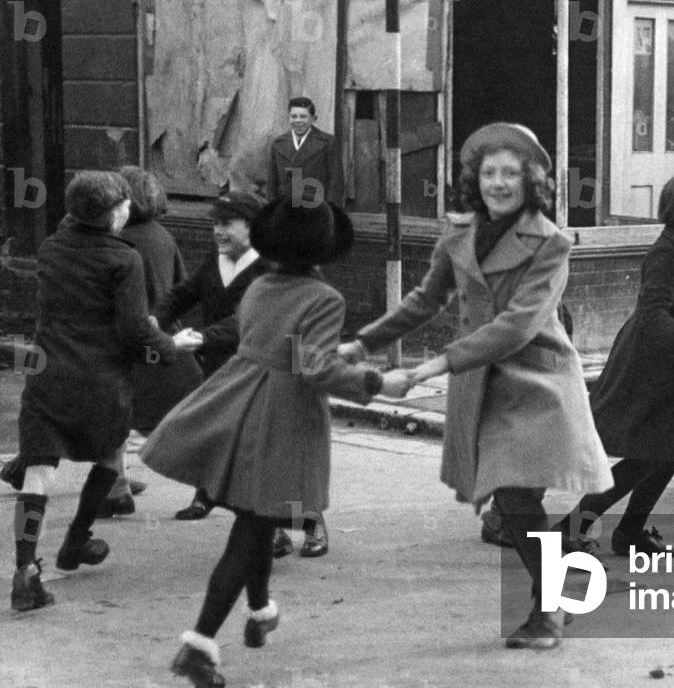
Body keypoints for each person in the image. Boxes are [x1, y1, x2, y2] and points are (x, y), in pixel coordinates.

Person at [339, 123, 613, 650]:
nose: (499, 183)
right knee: (514, 505)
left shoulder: (552, 242)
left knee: (516, 497)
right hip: (482, 386)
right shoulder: (458, 231)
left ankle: (550, 612)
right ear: (475, 179)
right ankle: (552, 602)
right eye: (489, 173)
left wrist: (430, 368)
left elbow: (517, 325)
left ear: (532, 180)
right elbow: (425, 300)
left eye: (511, 173)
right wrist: (363, 344)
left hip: (538, 383)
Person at [141, 197, 409, 688]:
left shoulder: (260, 285)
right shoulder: (325, 298)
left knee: (258, 519)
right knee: (249, 531)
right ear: (325, 251)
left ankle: (261, 609)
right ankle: (198, 644)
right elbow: (314, 367)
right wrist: (374, 382)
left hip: (235, 401)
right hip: (283, 418)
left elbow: (275, 345)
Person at [10, 171, 178, 611]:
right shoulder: (125, 259)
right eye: (122, 204)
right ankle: (76, 540)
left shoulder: (51, 248)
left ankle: (25, 568)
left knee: (37, 473)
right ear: (114, 212)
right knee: (108, 456)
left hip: (48, 375)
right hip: (101, 379)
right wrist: (169, 348)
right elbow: (133, 328)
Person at [552, 167, 674, 555]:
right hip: (653, 366)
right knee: (645, 457)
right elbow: (653, 315)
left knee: (671, 452)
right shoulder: (667, 252)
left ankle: (630, 531)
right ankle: (571, 529)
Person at [97, 166, 203, 518]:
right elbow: (182, 286)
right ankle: (118, 486)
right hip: (163, 339)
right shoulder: (163, 236)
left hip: (135, 341)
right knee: (166, 421)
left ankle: (212, 487)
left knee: (122, 419)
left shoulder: (115, 241)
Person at [266, 96, 342, 207]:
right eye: (294, 116)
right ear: (288, 118)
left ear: (313, 119)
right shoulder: (278, 144)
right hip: (285, 207)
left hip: (315, 207)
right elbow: (271, 183)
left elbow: (336, 182)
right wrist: (272, 210)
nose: (298, 121)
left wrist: (330, 211)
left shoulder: (327, 142)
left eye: (303, 117)